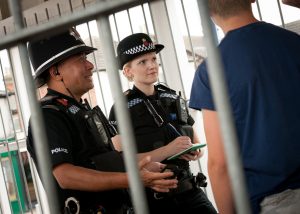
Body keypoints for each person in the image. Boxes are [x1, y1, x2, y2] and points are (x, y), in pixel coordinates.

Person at [26, 28, 179, 214]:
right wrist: (131, 178)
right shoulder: (47, 115)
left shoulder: (82, 109)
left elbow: (106, 160)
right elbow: (65, 175)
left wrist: (145, 169)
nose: (90, 65)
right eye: (80, 59)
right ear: (56, 72)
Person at [189, 0, 300, 213]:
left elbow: (219, 164)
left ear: (206, 9)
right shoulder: (294, 42)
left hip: (275, 200)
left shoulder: (212, 69)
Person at [109, 33, 217, 214]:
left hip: (190, 192)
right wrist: (168, 150)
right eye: (142, 62)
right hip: (154, 202)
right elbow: (120, 161)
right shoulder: (121, 108)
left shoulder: (172, 96)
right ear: (128, 71)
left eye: (153, 59)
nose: (151, 65)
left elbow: (197, 144)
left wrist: (195, 151)